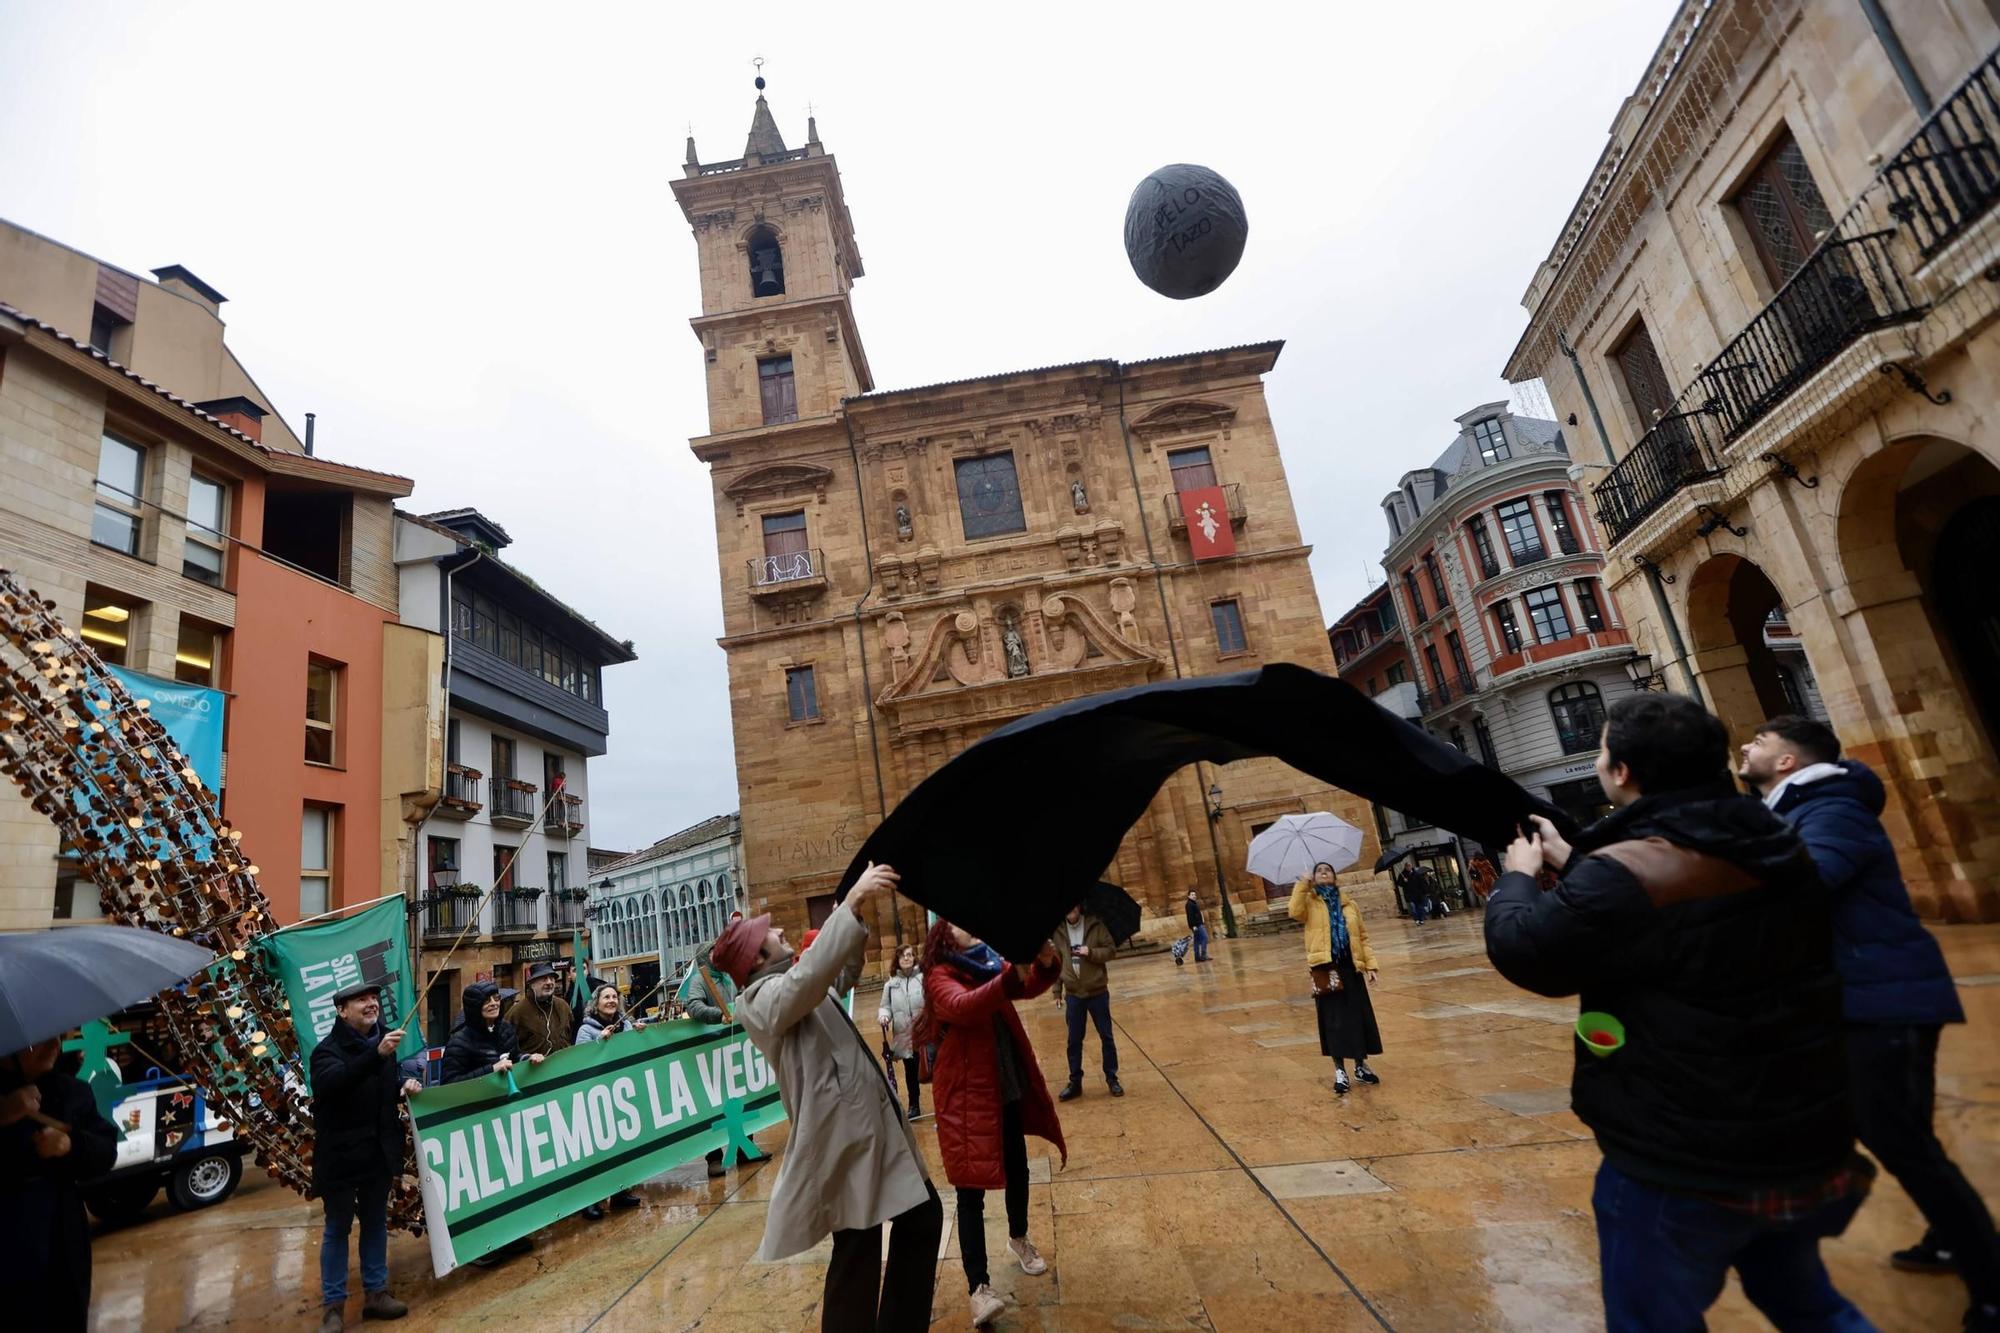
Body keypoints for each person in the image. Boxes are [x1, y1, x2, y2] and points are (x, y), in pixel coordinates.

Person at [1486, 693, 1873, 1332]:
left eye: (1605, 751)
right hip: (1800, 1131)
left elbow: (1529, 952)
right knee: (1810, 1305)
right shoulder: (1774, 838)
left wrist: (1520, 877)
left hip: (1689, 1156)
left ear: (1622, 773)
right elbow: (1680, 907)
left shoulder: (1626, 874)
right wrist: (1575, 859)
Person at [1741, 715, 1997, 1330]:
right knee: (1905, 1134)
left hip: (1884, 1000)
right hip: (1873, 997)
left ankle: (1991, 1280)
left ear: (1787, 762)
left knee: (1900, 1139)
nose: (1745, 746)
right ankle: (1950, 1238)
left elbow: (1809, 885)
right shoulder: (1803, 807)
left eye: (1759, 741)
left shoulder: (1830, 809)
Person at [714, 863, 942, 1332]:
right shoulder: (758, 1001)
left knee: (914, 1222)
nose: (778, 928)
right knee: (858, 1252)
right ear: (756, 958)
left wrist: (851, 918)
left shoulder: (797, 978)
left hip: (866, 1133)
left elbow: (837, 976)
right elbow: (807, 983)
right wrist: (849, 907)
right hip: (842, 1142)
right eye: (769, 932)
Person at [923, 920, 1065, 1327]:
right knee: (970, 1196)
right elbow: (968, 1006)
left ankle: (1018, 1236)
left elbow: (1026, 985)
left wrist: (1044, 962)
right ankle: (978, 1288)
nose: (972, 927)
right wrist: (1010, 973)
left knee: (1018, 1169)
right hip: (966, 1101)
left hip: (1004, 1088)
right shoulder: (939, 977)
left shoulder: (987, 963)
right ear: (944, 938)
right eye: (960, 925)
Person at [308, 981, 420, 1330]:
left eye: (373, 998)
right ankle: (333, 1307)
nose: (372, 1004)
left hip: (377, 1153)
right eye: (361, 1000)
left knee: (375, 1224)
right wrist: (376, 1055)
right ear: (342, 1011)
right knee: (337, 1229)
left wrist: (402, 1087)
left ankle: (376, 1294)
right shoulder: (326, 1051)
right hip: (340, 1157)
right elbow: (334, 1084)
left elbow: (383, 1090)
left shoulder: (384, 1041)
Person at [0, 1034, 117, 1332]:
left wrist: (71, 1144)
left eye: (59, 1037)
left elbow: (106, 1152)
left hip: (61, 1233)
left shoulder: (73, 1092)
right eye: (38, 1040)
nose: (53, 1045)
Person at [440, 980, 542, 1267]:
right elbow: (449, 1084)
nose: (494, 1004)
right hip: (476, 1125)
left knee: (510, 1179)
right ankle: (482, 1246)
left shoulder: (506, 1031)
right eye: (487, 1001)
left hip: (506, 1118)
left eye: (496, 999)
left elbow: (512, 1059)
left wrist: (525, 1059)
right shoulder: (459, 1042)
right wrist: (489, 1070)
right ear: (474, 1008)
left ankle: (510, 1235)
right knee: (485, 1184)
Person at [678, 942, 771, 1178]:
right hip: (711, 1052)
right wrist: (718, 1015)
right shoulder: (701, 980)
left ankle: (745, 1149)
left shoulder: (729, 977)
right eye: (713, 953)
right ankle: (714, 1157)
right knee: (712, 1103)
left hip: (733, 1050)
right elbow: (694, 1006)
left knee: (741, 1096)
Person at [1288, 861, 1381, 1094]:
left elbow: (1363, 936)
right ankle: (1340, 1070)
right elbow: (1294, 912)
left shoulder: (1350, 905)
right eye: (1319, 871)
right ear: (1315, 877)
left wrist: (1370, 965)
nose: (1323, 873)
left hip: (1350, 967)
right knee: (1334, 1022)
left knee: (1358, 1018)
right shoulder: (1309, 902)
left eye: (1327, 870)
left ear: (1334, 876)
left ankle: (1360, 1066)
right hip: (1326, 968)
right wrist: (1303, 883)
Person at [573, 984, 645, 1221]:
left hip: (620, 1095)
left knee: (620, 1146)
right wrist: (599, 1043)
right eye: (606, 997)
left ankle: (620, 1191)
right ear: (597, 1002)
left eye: (615, 997)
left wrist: (639, 1032)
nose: (611, 1001)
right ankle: (591, 1200)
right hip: (596, 1096)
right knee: (597, 1151)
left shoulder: (625, 1024)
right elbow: (580, 1058)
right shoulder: (586, 1029)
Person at [1051, 903, 1121, 1100]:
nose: (1070, 912)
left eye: (1072, 907)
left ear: (1079, 908)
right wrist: (1057, 991)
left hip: (1097, 992)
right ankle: (1075, 1081)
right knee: (1073, 1040)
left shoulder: (1095, 926)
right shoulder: (1058, 932)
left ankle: (1112, 1077)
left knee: (1106, 1036)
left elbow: (1110, 951)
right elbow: (1057, 962)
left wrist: (1089, 952)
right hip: (1074, 994)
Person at [876, 944, 926, 1122]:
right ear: (897, 960)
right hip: (904, 1035)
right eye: (903, 956)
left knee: (933, 1068)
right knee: (911, 1072)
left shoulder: (923, 979)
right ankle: (914, 1105)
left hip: (925, 1034)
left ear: (914, 958)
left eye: (910, 955)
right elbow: (885, 1007)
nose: (907, 958)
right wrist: (884, 1017)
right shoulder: (891, 984)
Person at [507, 962, 573, 1060]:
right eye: (543, 978)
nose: (549, 982)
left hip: (564, 1066)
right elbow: (507, 1047)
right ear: (532, 984)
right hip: (534, 1070)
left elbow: (572, 1033)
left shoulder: (563, 1006)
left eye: (552, 978)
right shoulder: (517, 1012)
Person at [1184, 890, 1210, 964]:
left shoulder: (1193, 903)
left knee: (1197, 941)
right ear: (1188, 896)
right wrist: (1193, 926)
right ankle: (1203, 955)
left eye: (1194, 894)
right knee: (1205, 937)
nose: (1194, 896)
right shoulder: (1189, 904)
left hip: (1198, 924)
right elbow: (1190, 916)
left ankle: (1197, 957)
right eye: (1192, 895)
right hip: (1197, 925)